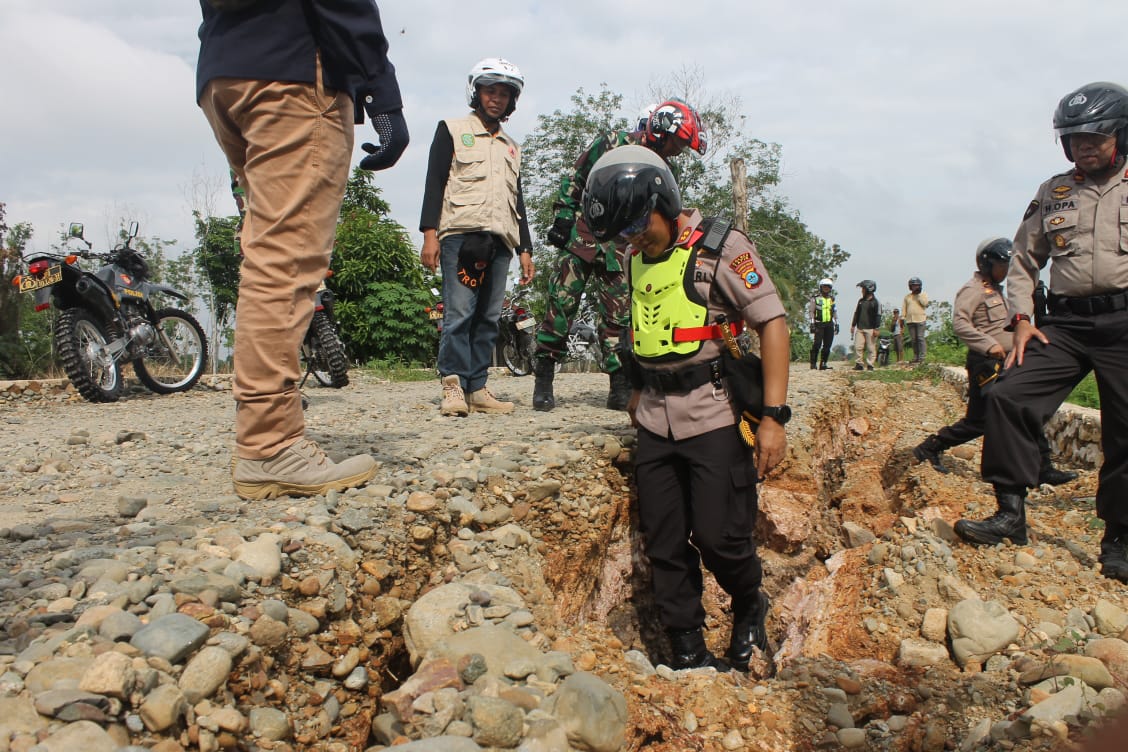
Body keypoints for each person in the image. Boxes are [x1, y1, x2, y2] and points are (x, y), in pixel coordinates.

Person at [582, 145, 790, 672]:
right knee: (666, 543)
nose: (632, 238)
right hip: (654, 419)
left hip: (712, 414)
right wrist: (633, 388)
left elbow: (772, 323)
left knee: (721, 537)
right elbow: (640, 322)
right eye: (622, 233)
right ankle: (687, 650)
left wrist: (773, 417)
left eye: (637, 225)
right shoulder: (633, 257)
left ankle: (748, 604)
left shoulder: (721, 249)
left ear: (664, 200)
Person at [196, 0, 408, 500]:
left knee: (266, 251)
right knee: (287, 261)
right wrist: (379, 84)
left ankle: (264, 430)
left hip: (225, 68)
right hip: (294, 69)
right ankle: (271, 444)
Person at [956, 82, 1128, 585]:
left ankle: (1119, 536)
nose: (1083, 147)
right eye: (1073, 139)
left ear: (1120, 133)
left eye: (1094, 137)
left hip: (1123, 324)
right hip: (1065, 324)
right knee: (1008, 396)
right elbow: (1024, 263)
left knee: (1125, 426)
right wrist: (1023, 320)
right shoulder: (1054, 192)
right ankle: (1010, 515)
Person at [533, 98, 707, 412]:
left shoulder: (667, 168)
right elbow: (577, 177)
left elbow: (667, 211)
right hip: (583, 235)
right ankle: (544, 378)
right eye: (678, 143)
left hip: (623, 247)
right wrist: (562, 216)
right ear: (659, 131)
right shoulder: (613, 143)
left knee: (619, 317)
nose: (679, 150)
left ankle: (619, 384)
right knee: (561, 305)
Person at [419, 58, 535, 417]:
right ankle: (452, 386)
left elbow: (518, 200)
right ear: (477, 93)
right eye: (490, 91)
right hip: (459, 236)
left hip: (501, 240)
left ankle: (477, 388)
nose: (496, 99)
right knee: (460, 312)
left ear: (511, 101)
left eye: (504, 94)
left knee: (488, 316)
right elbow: (434, 181)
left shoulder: (511, 147)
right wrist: (429, 235)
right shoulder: (452, 130)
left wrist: (526, 249)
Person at [912, 237, 1077, 486]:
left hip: (1007, 360)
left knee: (1020, 409)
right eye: (1002, 265)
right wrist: (989, 345)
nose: (1005, 271)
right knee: (990, 417)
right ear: (987, 263)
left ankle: (1043, 467)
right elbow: (960, 323)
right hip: (986, 362)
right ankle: (932, 447)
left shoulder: (998, 291)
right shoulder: (973, 290)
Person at [807, 278, 838, 370]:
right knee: (817, 344)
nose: (826, 289)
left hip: (829, 324)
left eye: (828, 287)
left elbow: (834, 311)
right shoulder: (815, 298)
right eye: (824, 287)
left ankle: (823, 363)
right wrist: (812, 323)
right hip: (819, 323)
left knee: (827, 345)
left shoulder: (832, 299)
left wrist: (836, 323)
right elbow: (811, 311)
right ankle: (813, 363)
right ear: (821, 287)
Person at [850, 280, 880, 371]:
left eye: (863, 289)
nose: (862, 291)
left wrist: (876, 328)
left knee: (871, 347)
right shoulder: (861, 301)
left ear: (868, 289)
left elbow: (878, 316)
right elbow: (856, 313)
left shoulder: (876, 302)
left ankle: (870, 364)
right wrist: (853, 325)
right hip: (860, 328)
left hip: (870, 329)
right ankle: (859, 364)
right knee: (858, 346)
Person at [903, 277, 929, 363]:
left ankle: (922, 357)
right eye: (913, 286)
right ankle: (916, 356)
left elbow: (925, 304)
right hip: (910, 320)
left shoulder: (923, 295)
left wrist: (918, 295)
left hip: (920, 319)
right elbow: (904, 308)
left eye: (917, 286)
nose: (915, 287)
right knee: (914, 339)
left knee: (920, 338)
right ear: (910, 286)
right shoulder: (907, 297)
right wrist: (903, 317)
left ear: (920, 286)